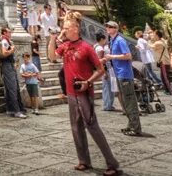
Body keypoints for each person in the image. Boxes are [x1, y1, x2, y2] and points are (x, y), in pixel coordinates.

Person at [51, 18, 121, 176]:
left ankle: (112, 163)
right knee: (76, 128)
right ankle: (83, 160)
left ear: (76, 29)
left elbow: (100, 69)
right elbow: (52, 57)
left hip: (84, 93)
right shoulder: (65, 46)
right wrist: (52, 39)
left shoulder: (87, 48)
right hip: (71, 93)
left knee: (92, 127)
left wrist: (88, 82)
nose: (64, 30)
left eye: (67, 28)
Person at [105, 21, 142, 136]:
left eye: (110, 27)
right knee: (125, 101)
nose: (107, 28)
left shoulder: (120, 40)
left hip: (125, 74)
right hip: (118, 73)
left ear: (116, 28)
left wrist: (112, 56)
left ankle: (135, 128)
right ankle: (131, 125)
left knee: (130, 101)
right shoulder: (112, 41)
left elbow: (128, 55)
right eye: (107, 26)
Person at [0, 27, 27, 118]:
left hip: (10, 65)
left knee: (11, 87)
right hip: (7, 66)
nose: (10, 33)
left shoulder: (7, 41)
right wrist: (12, 50)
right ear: (4, 33)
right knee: (12, 88)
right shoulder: (4, 41)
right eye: (9, 32)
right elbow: (4, 53)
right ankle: (16, 111)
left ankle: (11, 109)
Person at [94, 33, 117, 112]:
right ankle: (107, 105)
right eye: (104, 39)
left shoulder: (96, 46)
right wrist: (104, 72)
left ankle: (108, 104)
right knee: (108, 88)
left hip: (105, 69)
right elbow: (101, 61)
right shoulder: (100, 48)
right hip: (106, 69)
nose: (106, 41)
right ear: (101, 39)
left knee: (108, 87)